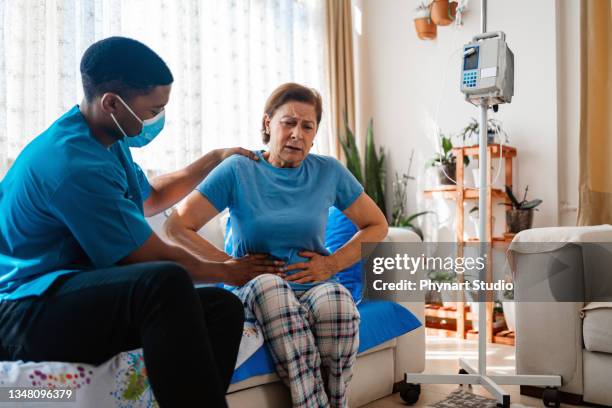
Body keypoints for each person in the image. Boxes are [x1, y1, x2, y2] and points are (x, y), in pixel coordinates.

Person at [0, 37, 284, 408]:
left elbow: (149, 198)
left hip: (67, 291)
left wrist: (213, 158)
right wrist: (229, 270)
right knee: (163, 282)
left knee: (222, 309)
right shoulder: (72, 164)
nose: (158, 119)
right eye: (153, 110)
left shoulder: (107, 136)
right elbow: (148, 260)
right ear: (112, 103)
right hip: (25, 311)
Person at [164, 82, 389, 408]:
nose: (297, 133)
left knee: (339, 303)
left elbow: (377, 224)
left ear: (314, 134)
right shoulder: (240, 168)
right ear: (268, 123)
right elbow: (177, 226)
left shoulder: (329, 172)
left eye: (307, 126)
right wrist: (228, 266)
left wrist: (331, 264)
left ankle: (336, 402)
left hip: (314, 284)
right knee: (272, 288)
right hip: (256, 286)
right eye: (289, 122)